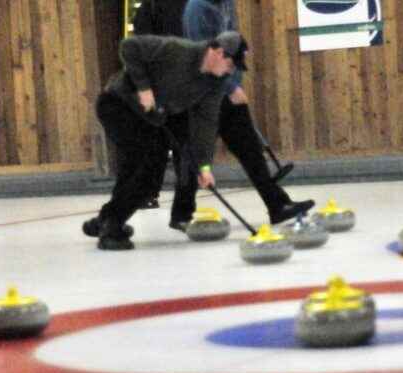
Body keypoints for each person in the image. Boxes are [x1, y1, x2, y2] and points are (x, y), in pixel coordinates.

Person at [83, 31, 248, 250]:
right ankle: (111, 227)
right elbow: (129, 46)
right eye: (231, 63)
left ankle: (107, 219)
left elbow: (205, 126)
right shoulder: (177, 50)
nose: (232, 69)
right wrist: (144, 87)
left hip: (149, 117)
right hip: (118, 105)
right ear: (217, 52)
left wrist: (204, 166)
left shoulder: (215, 84)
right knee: (145, 167)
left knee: (145, 172)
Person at [168, 0, 314, 231]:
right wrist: (231, 87)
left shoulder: (227, 3)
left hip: (225, 88)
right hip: (206, 94)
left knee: (250, 150)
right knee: (195, 154)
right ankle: (181, 213)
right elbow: (206, 55)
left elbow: (232, 42)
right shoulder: (197, 9)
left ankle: (277, 205)